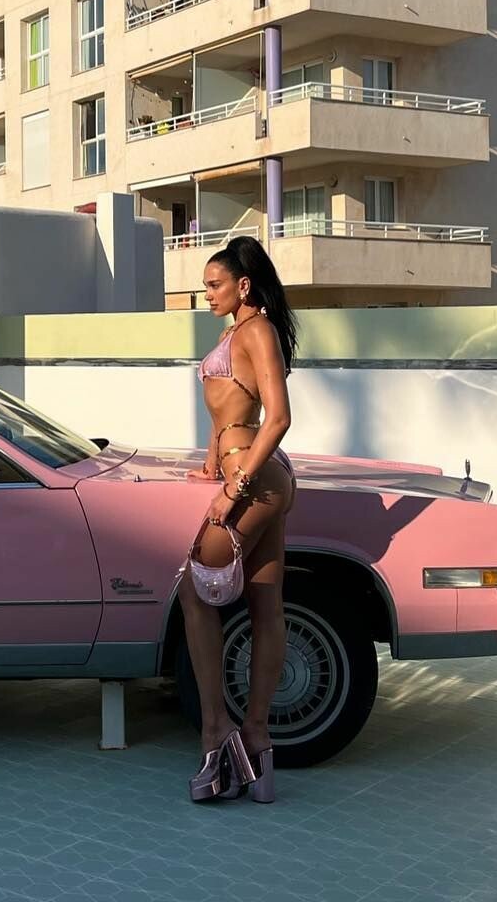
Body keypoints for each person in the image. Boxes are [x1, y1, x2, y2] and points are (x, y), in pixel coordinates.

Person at [181, 235, 298, 804]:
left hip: (256, 482)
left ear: (243, 285)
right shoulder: (234, 333)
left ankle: (215, 730)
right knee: (264, 605)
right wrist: (210, 467)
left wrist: (233, 488)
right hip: (253, 476)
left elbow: (278, 417)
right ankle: (256, 738)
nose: (206, 294)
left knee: (194, 593)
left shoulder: (256, 331)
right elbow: (225, 415)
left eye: (214, 284)